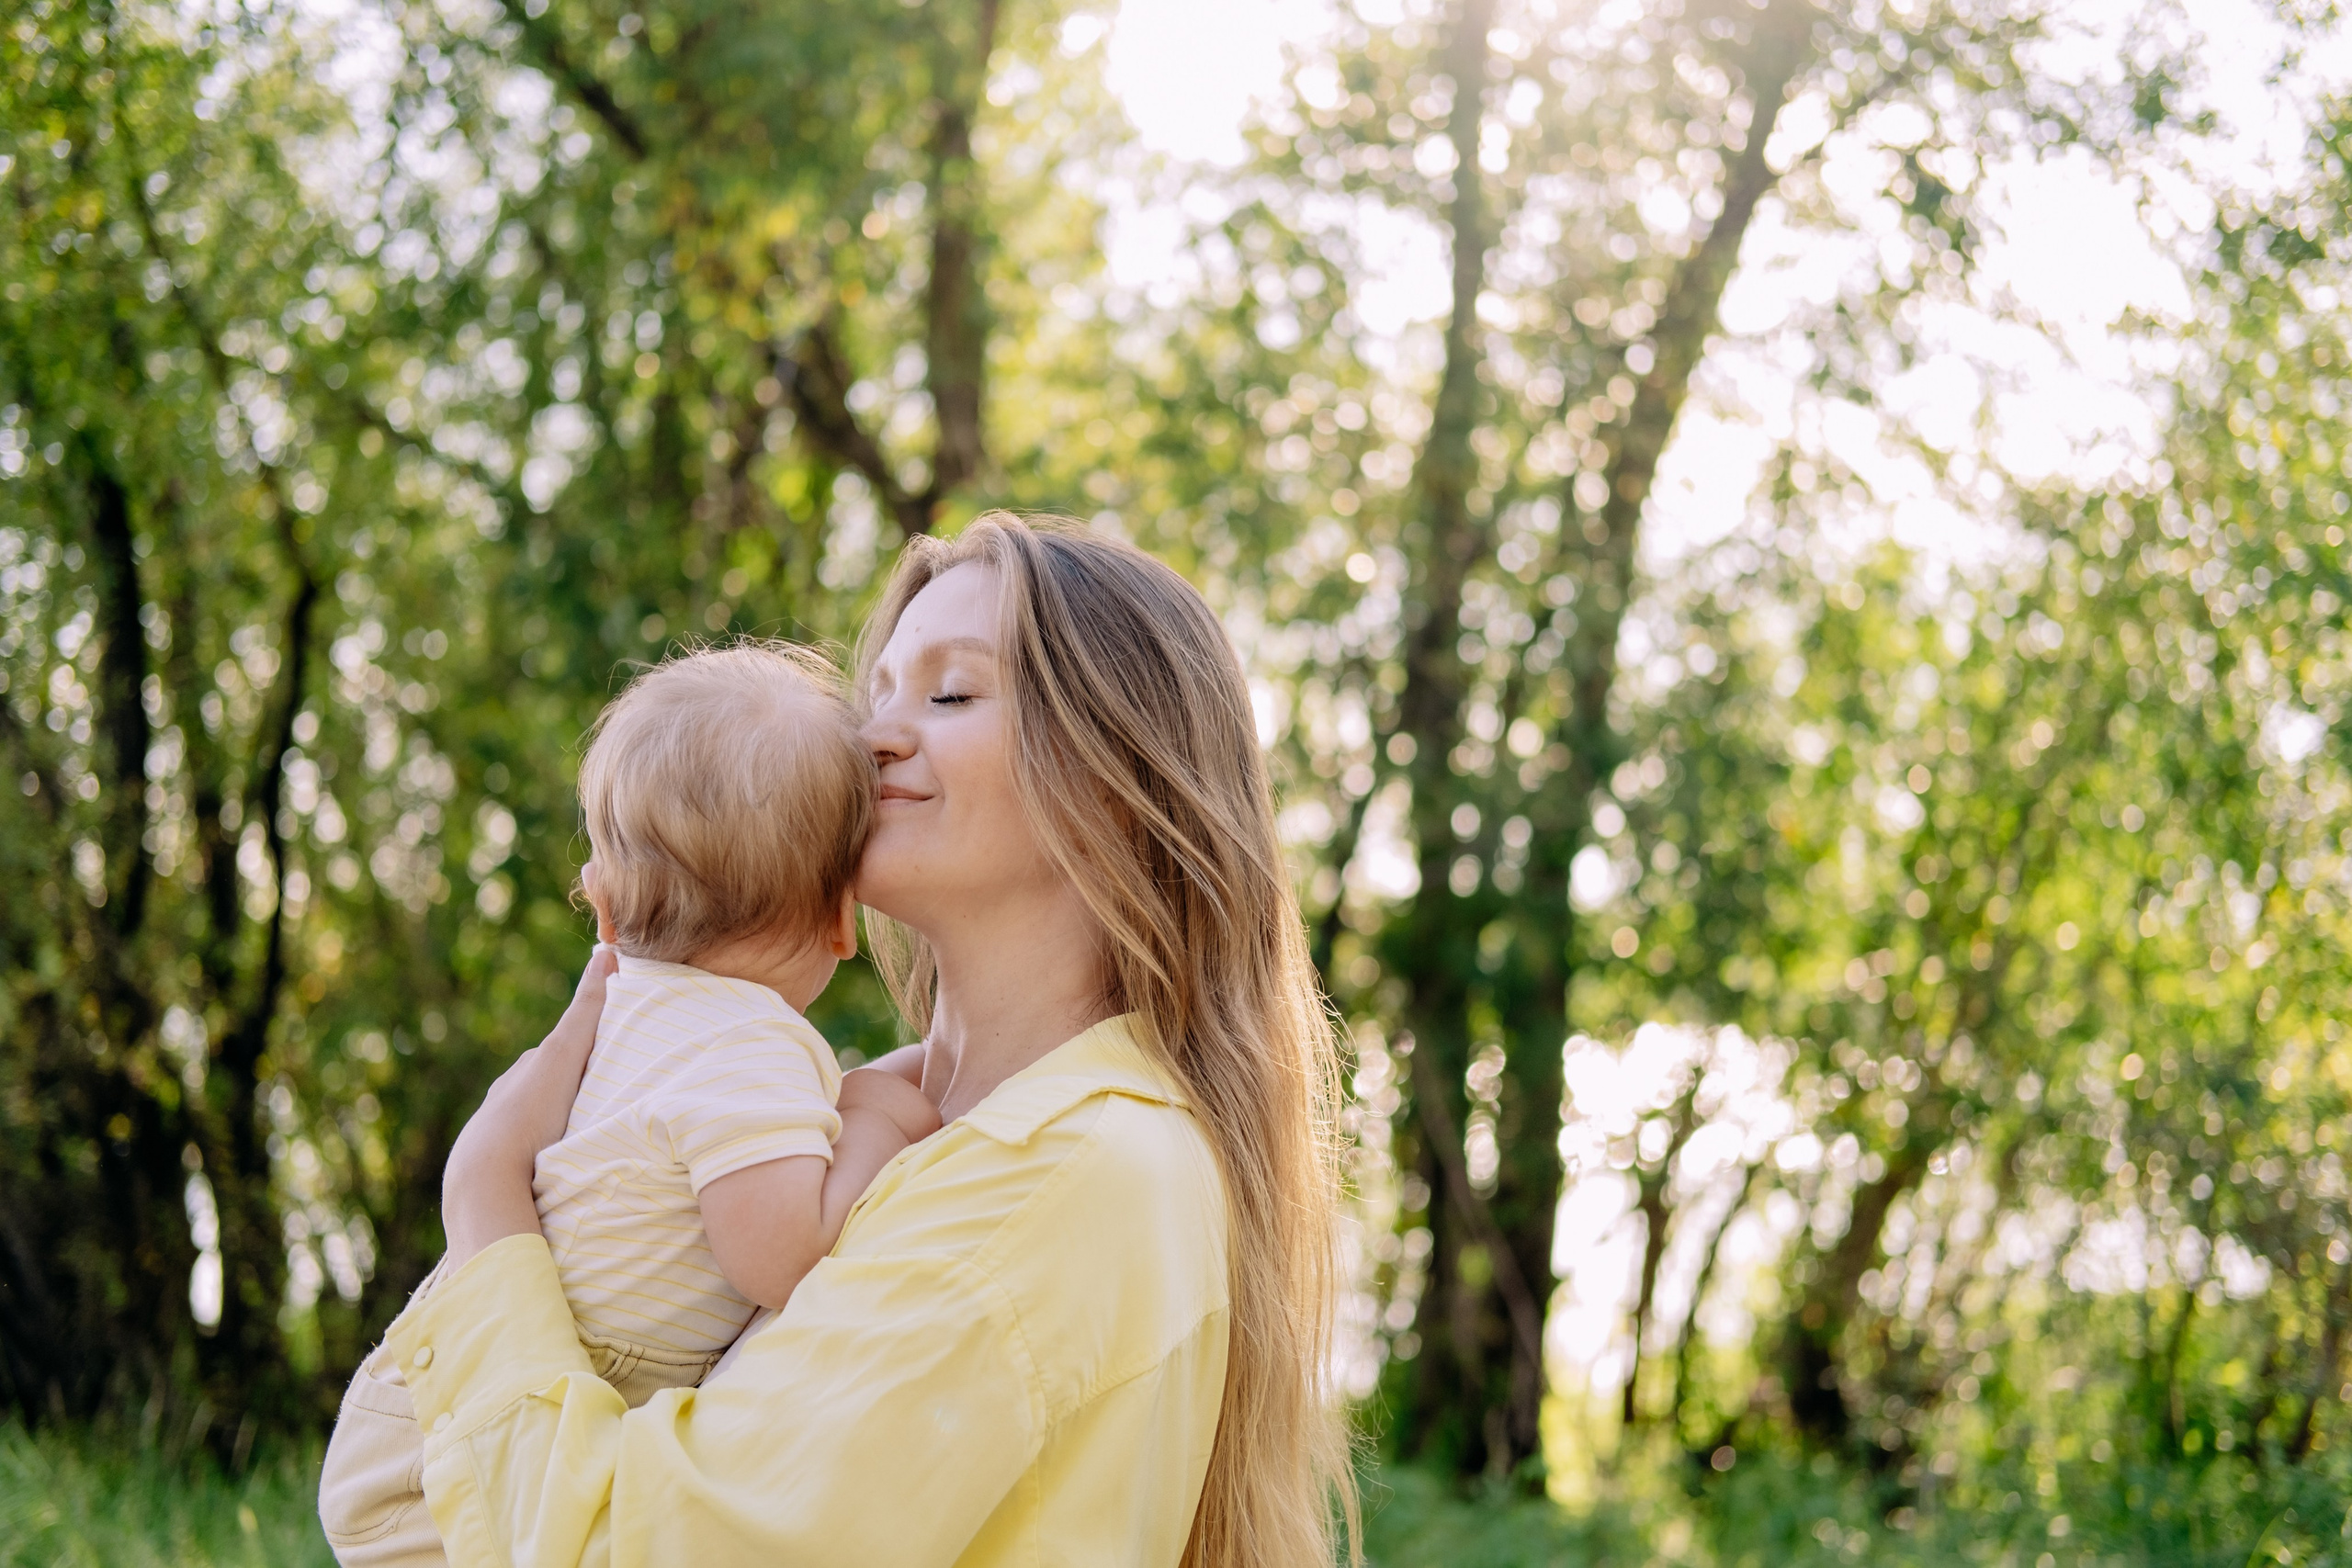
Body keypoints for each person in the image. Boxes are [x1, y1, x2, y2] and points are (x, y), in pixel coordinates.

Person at [371, 515, 1357, 1566]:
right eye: (875, 694)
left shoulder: (1058, 1171)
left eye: (951, 694)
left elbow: (635, 1549)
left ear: (1117, 786)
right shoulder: (894, 1132)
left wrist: (485, 1205)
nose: (873, 737)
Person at [319, 643, 938, 1566]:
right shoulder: (748, 1046)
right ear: (841, 921)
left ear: (605, 911)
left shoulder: (638, 1016)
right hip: (465, 1468)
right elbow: (783, 1256)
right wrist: (879, 1114)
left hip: (426, 1406)